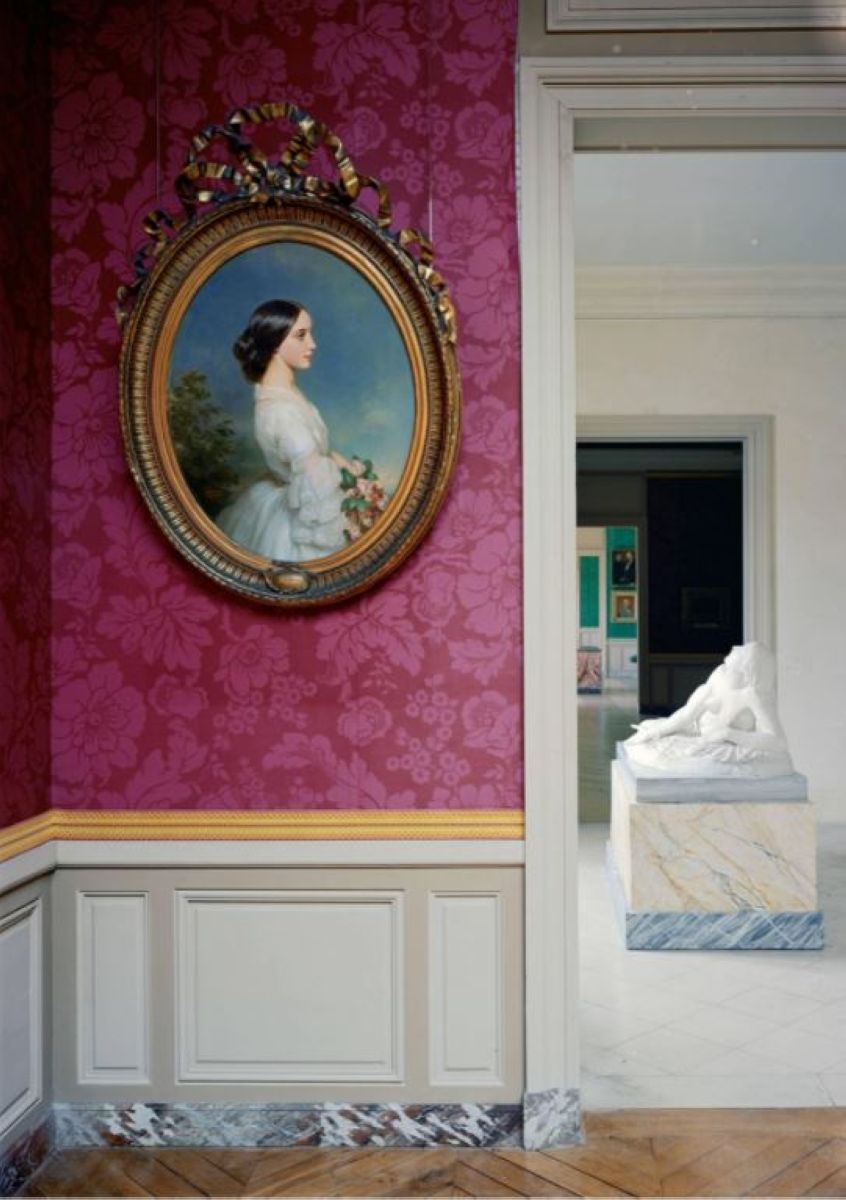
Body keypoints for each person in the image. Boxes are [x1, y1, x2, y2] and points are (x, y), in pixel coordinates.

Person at [217, 299, 349, 562]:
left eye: (310, 333)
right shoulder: (280, 409)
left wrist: (339, 463)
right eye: (301, 335)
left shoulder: (284, 392)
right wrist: (349, 475)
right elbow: (313, 474)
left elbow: (312, 459)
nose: (312, 344)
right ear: (275, 343)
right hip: (296, 516)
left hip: (296, 493)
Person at [625, 642, 794, 778]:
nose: (725, 666)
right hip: (696, 731)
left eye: (732, 667)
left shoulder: (755, 696)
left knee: (682, 753)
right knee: (651, 732)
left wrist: (728, 734)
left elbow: (778, 742)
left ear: (748, 673)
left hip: (720, 742)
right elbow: (687, 714)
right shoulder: (720, 675)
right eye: (726, 664)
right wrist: (658, 731)